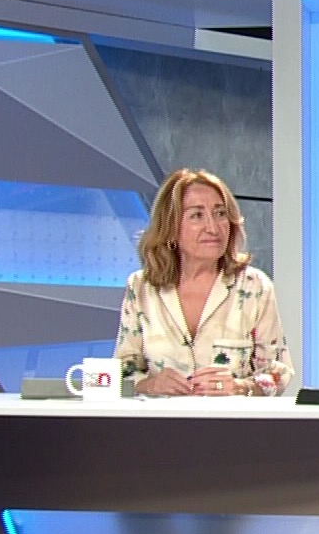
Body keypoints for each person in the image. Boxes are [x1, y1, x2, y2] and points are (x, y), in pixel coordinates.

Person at [115, 169, 292, 397]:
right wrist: (150, 384)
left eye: (220, 214)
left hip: (231, 419)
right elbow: (121, 372)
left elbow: (278, 372)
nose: (213, 227)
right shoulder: (141, 287)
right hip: (160, 418)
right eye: (197, 215)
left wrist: (240, 387)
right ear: (170, 227)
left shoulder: (254, 286)